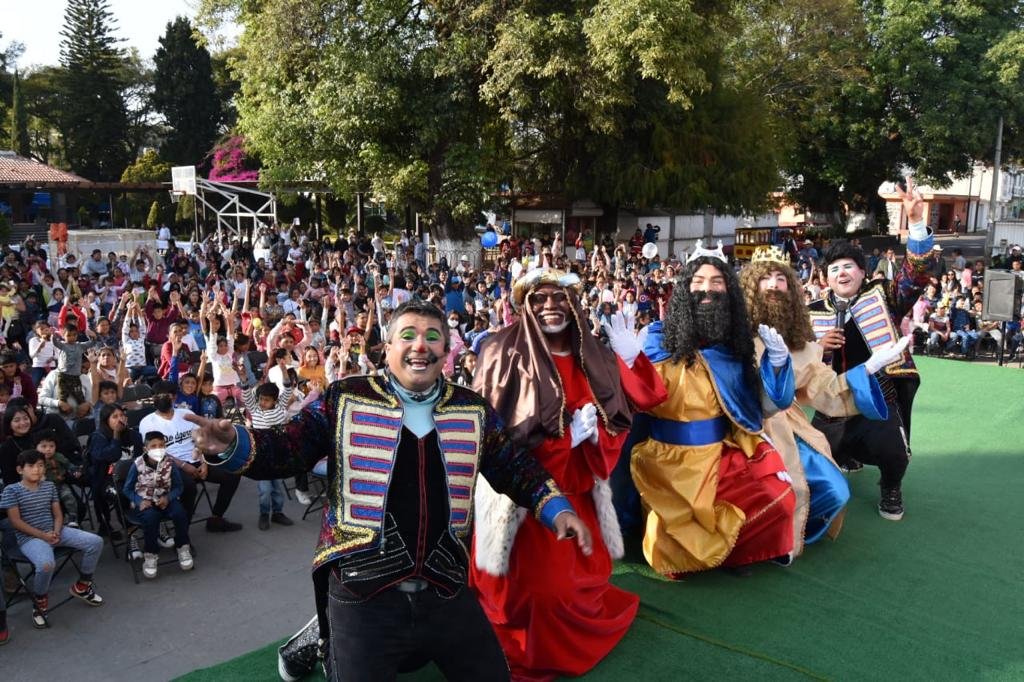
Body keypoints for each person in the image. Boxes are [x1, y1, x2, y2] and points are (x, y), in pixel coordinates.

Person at [189, 299, 592, 682]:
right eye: (409, 335)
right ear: (387, 349)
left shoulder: (472, 409)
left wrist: (555, 507)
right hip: (363, 592)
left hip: (445, 586)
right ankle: (324, 639)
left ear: (448, 351)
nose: (421, 345)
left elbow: (512, 466)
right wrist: (234, 443)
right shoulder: (345, 398)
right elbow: (288, 447)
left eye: (433, 337)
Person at [470, 268, 666, 680]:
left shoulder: (593, 353)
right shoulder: (499, 353)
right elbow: (492, 442)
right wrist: (562, 443)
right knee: (536, 595)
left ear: (574, 303)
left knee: (564, 592)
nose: (550, 307)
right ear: (524, 304)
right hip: (521, 507)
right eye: (539, 299)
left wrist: (594, 438)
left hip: (578, 498)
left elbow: (631, 412)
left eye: (559, 298)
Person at [627, 241, 797, 576]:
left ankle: (734, 551)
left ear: (729, 291)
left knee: (779, 497)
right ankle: (716, 550)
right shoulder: (656, 340)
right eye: (699, 282)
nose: (708, 290)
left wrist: (777, 364)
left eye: (717, 283)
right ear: (685, 289)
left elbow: (761, 406)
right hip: (667, 462)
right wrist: (629, 364)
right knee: (671, 552)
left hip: (721, 455)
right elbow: (638, 399)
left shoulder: (734, 347)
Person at [739, 246, 906, 556]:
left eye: (781, 278)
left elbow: (823, 387)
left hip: (793, 423)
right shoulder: (733, 329)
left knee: (837, 487)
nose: (774, 285)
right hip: (737, 425)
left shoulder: (800, 332)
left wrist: (868, 369)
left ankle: (889, 486)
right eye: (766, 279)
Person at [0, 449, 105, 629]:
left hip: (55, 531)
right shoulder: (12, 490)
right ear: (20, 470)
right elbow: (15, 522)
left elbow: (58, 514)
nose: (37, 470)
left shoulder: (49, 486)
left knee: (95, 542)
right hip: (30, 538)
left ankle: (83, 585)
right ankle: (39, 600)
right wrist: (43, 536)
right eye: (31, 466)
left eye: (40, 465)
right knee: (46, 564)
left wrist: (55, 532)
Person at [139, 381, 242, 532]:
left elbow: (201, 441)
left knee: (232, 474)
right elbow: (155, 453)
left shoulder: (186, 415)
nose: (161, 398)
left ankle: (216, 518)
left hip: (197, 460)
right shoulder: (147, 422)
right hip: (170, 466)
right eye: (157, 396)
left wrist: (204, 462)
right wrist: (182, 465)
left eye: (166, 395)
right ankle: (183, 534)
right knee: (189, 487)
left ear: (174, 397)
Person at [122, 431, 194, 579]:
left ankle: (182, 547)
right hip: (146, 501)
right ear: (145, 449)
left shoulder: (169, 463)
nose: (158, 448)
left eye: (161, 445)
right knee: (151, 518)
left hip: (165, 499)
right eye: (153, 446)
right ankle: (151, 554)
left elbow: (178, 486)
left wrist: (168, 498)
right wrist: (139, 501)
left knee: (180, 513)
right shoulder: (137, 465)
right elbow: (127, 489)